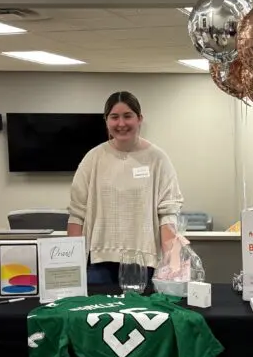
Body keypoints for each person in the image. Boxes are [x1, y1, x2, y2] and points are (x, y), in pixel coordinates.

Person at [68, 92, 184, 286]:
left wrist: (172, 264)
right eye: (114, 117)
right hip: (98, 263)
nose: (121, 123)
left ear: (139, 119)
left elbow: (167, 215)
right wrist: (71, 264)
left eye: (127, 116)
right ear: (106, 121)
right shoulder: (93, 159)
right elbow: (77, 214)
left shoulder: (158, 159)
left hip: (144, 263)